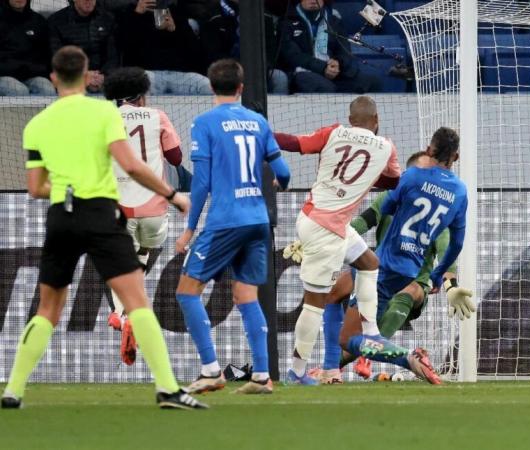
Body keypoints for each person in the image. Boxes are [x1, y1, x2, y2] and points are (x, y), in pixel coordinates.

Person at [1, 46, 206, 410]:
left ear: (52, 79)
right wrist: (174, 195)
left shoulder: (38, 123)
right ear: (86, 76)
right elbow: (132, 166)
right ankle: (167, 389)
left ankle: (14, 389)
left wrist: (64, 189)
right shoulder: (102, 113)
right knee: (136, 300)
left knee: (47, 308)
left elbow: (35, 188)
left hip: (61, 215)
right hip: (101, 213)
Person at [296, 150, 474, 383]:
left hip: (416, 279)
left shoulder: (435, 205)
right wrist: (321, 239)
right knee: (333, 292)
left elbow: (445, 251)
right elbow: (361, 224)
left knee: (405, 293)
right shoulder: (392, 196)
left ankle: (368, 357)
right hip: (381, 269)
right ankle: (333, 368)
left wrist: (450, 284)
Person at [174, 59, 291, 395]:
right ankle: (261, 376)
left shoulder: (204, 123)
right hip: (257, 219)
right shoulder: (258, 121)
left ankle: (211, 370)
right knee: (245, 294)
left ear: (211, 87)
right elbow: (282, 172)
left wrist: (189, 228)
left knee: (187, 291)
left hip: (226, 220)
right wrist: (279, 184)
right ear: (241, 87)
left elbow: (202, 182)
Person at [274, 95, 402, 385]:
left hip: (320, 218)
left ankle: (371, 333)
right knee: (315, 304)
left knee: (369, 263)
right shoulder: (387, 147)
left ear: (350, 119)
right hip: (326, 229)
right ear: (376, 121)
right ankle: (296, 371)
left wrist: (263, 135)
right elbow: (393, 182)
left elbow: (296, 143)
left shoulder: (333, 133)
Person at [102, 66, 183, 366]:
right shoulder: (157, 116)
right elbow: (176, 158)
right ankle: (124, 315)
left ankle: (122, 315)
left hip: (117, 204)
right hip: (153, 203)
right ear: (141, 95)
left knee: (117, 263)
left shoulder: (104, 118)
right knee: (143, 253)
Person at [279, 0, 382, 93]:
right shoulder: (286, 21)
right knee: (325, 87)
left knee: (372, 82)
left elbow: (344, 50)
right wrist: (322, 67)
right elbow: (293, 56)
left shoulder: (334, 21)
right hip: (303, 72)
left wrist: (338, 63)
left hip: (333, 71)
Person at [117, 0, 210, 95]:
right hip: (146, 72)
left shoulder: (175, 10)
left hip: (178, 73)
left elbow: (194, 49)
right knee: (138, 87)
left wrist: (175, 30)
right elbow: (124, 46)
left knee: (207, 86)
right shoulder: (130, 12)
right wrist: (137, 15)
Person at [48, 0, 119, 93]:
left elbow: (113, 54)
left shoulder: (107, 19)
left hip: (102, 77)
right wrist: (83, 76)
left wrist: (103, 75)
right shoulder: (56, 21)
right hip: (72, 77)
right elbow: (57, 56)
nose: (89, 1)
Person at [0, 0, 54, 96]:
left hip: (32, 75)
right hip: (4, 76)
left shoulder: (38, 21)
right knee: (19, 91)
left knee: (47, 90)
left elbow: (46, 54)